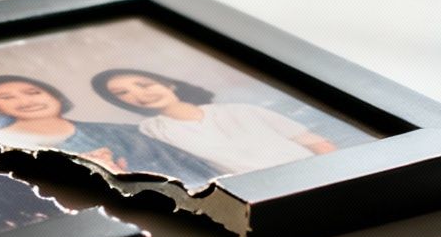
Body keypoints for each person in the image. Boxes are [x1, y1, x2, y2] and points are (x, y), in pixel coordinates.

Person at [0, 74, 222, 187]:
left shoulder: (125, 133)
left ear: (55, 96)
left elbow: (197, 177)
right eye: (7, 97)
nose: (27, 101)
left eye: (34, 92)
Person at [89, 68, 335, 175]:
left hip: (308, 172)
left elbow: (318, 144)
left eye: (144, 84)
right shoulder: (150, 131)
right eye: (122, 94)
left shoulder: (240, 110)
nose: (139, 94)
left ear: (168, 83)